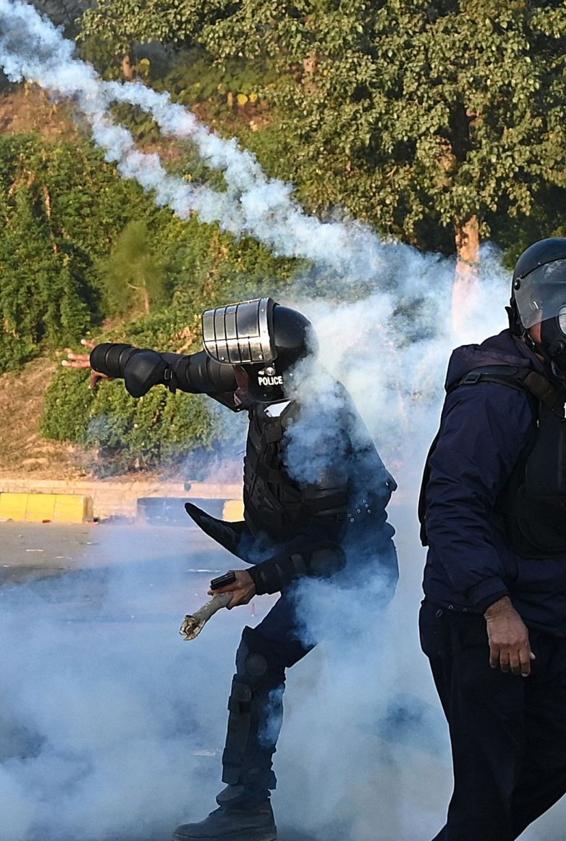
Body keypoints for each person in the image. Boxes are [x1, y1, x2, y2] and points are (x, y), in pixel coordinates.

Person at [65, 297, 398, 841]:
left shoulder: (320, 420)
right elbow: (176, 369)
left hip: (351, 571)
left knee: (265, 661)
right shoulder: (266, 386)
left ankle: (246, 809)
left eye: (239, 369)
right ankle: (460, 749)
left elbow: (328, 545)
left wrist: (258, 578)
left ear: (266, 374)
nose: (229, 379)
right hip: (311, 557)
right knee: (366, 691)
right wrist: (112, 357)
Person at [417, 238, 566, 841]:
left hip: (542, 615)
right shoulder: (493, 393)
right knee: (485, 795)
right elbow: (450, 505)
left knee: (558, 755)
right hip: (482, 621)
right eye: (559, 304)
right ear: (527, 313)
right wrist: (495, 608)